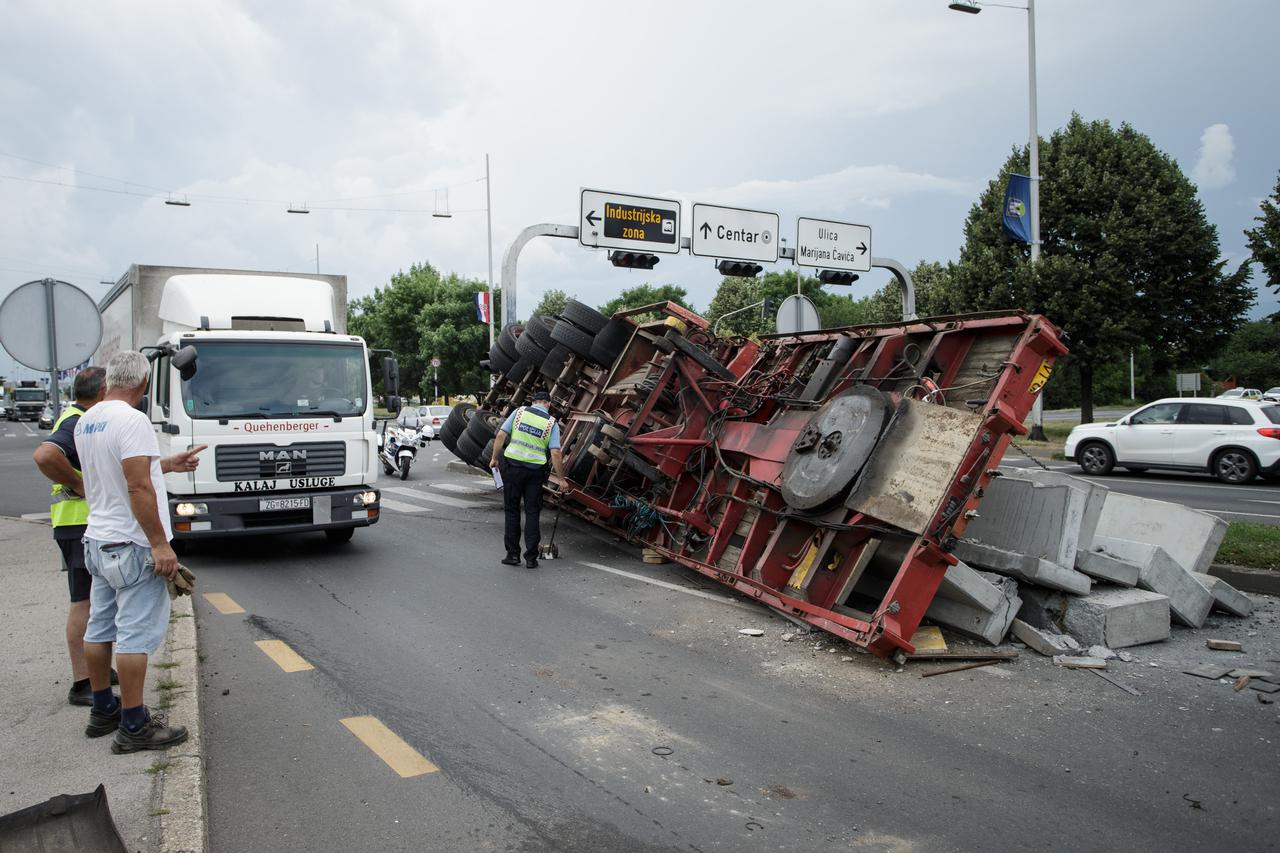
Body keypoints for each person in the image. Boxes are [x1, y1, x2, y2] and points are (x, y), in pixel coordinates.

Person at [74, 351, 206, 753]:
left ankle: (102, 710)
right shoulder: (133, 420)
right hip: (131, 544)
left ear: (110, 380)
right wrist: (160, 544)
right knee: (134, 634)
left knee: (99, 627)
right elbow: (137, 487)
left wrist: (165, 465)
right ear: (145, 384)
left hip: (98, 540)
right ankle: (133, 724)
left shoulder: (88, 420)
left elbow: (120, 474)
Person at [32, 366, 114, 706]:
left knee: (93, 602)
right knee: (83, 601)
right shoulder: (77, 420)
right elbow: (45, 455)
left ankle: (96, 671)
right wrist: (79, 484)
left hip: (80, 524)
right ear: (101, 393)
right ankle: (82, 682)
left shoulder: (81, 417)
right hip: (78, 524)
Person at [489, 389, 565, 568]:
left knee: (512, 511)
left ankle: (512, 555)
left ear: (533, 402)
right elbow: (555, 452)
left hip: (513, 468)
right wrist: (561, 479)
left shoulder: (519, 412)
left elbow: (501, 435)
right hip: (535, 473)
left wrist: (494, 458)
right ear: (548, 404)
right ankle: (531, 558)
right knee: (532, 513)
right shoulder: (551, 423)